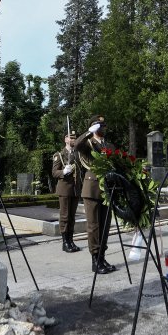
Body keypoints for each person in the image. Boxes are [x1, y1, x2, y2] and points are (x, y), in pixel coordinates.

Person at [74, 115, 117, 274]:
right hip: (92, 188)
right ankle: (95, 259)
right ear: (93, 127)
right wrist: (88, 132)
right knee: (94, 226)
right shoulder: (87, 144)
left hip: (107, 189)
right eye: (99, 125)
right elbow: (76, 145)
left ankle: (102, 257)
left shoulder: (110, 145)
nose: (103, 128)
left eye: (104, 125)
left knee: (105, 225)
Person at [52, 131, 82, 253]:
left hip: (75, 189)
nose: (73, 139)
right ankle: (65, 242)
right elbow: (54, 172)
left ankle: (71, 240)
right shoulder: (59, 155)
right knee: (65, 216)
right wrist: (63, 172)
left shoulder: (78, 154)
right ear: (65, 139)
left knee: (72, 217)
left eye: (75, 137)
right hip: (64, 189)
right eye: (71, 137)